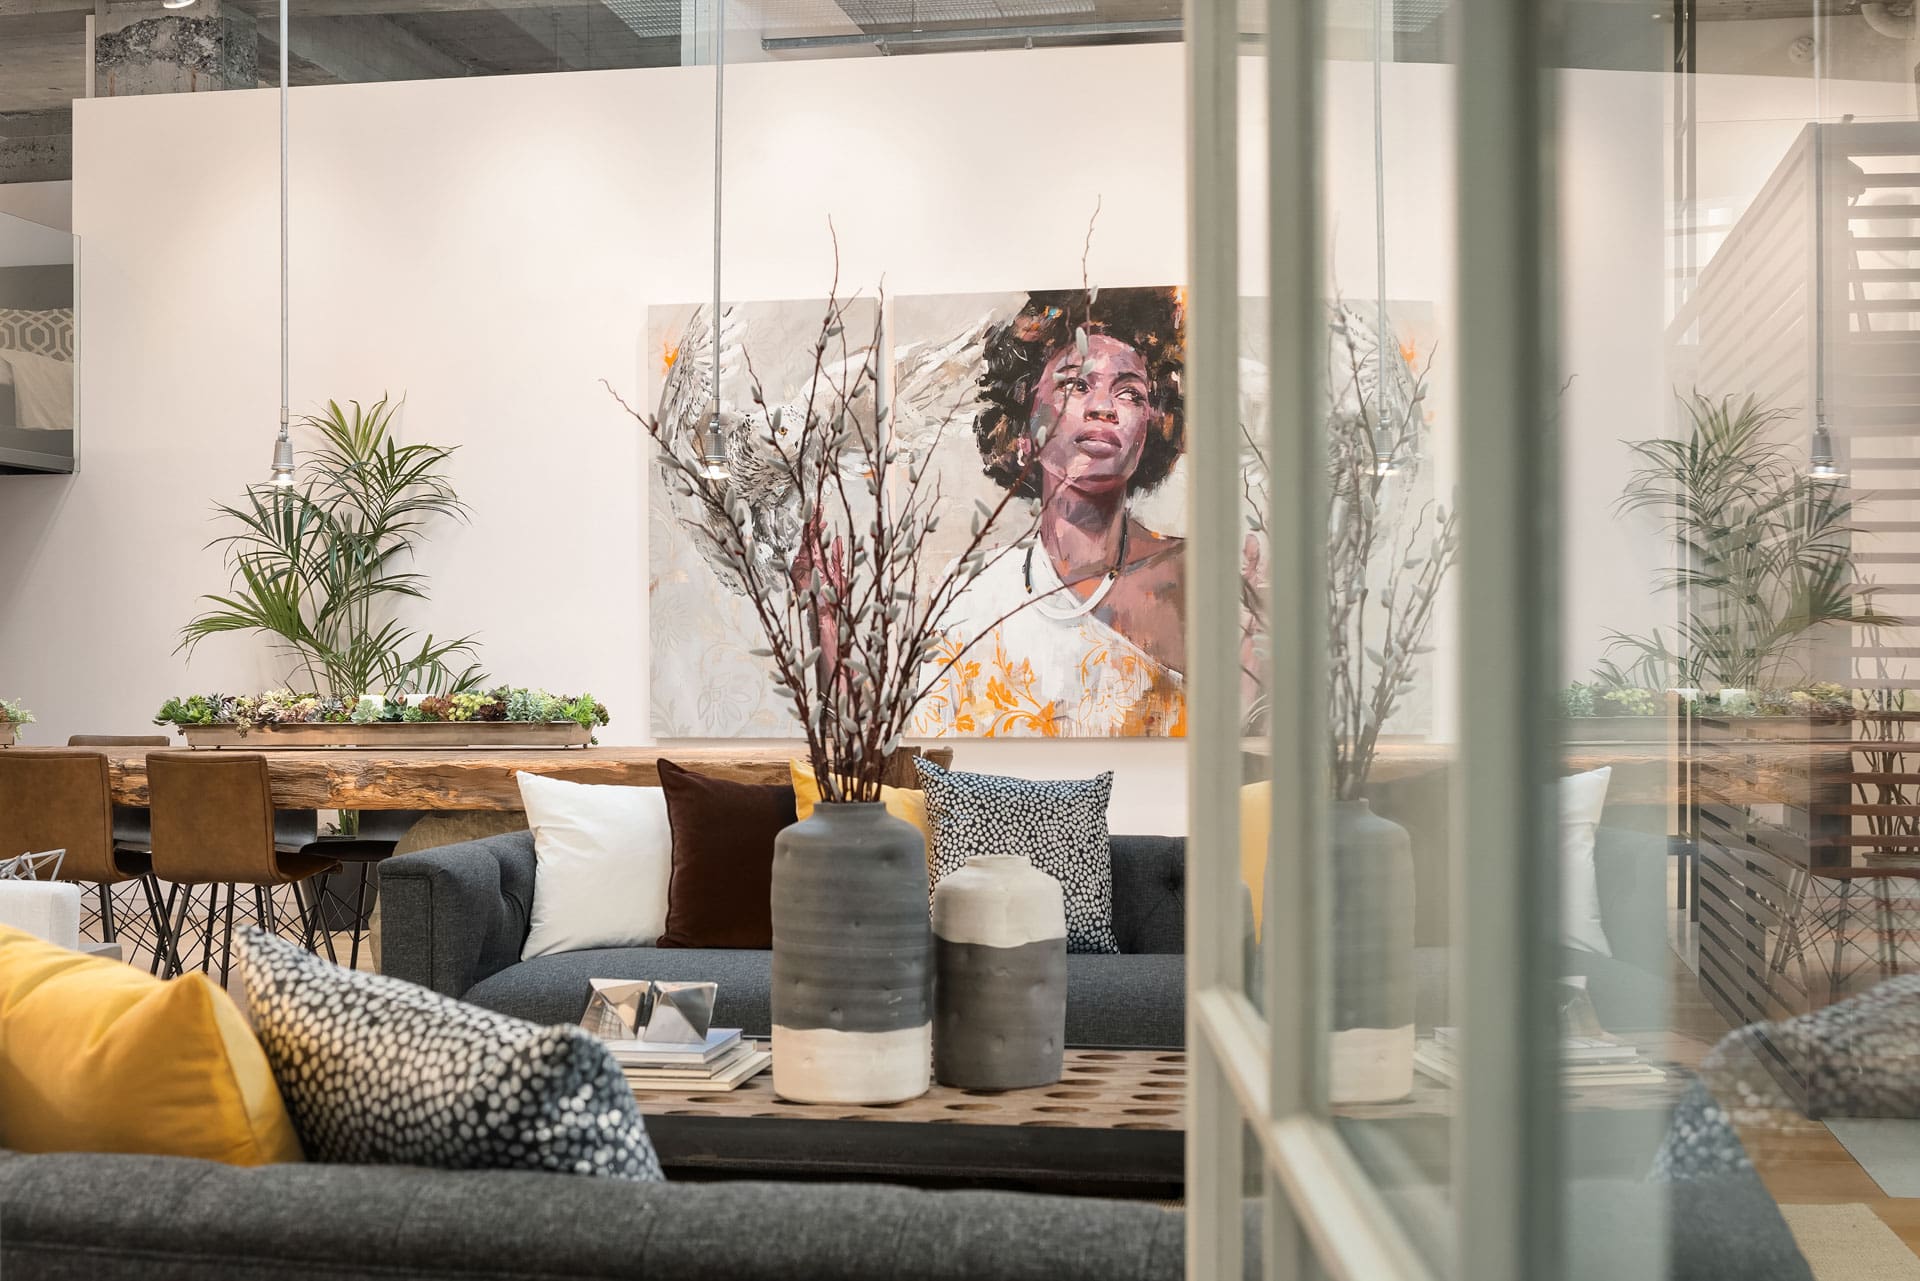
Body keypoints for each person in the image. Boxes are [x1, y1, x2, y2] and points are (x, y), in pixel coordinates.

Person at [915, 287, 1187, 738]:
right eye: (1077, 385)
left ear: (1148, 433)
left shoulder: (1193, 581)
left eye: (1130, 394)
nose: (1103, 408)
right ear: (1024, 429)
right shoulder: (972, 599)